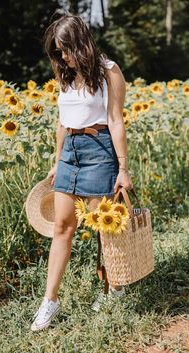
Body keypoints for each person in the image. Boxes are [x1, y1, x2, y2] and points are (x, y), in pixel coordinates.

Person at [31, 9, 133, 332]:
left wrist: (124, 168)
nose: (62, 56)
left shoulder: (108, 72)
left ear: (81, 43)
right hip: (71, 154)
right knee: (62, 226)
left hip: (100, 150)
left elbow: (116, 121)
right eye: (57, 52)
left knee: (104, 227)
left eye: (65, 49)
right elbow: (62, 122)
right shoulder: (64, 74)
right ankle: (50, 301)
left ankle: (113, 287)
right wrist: (56, 159)